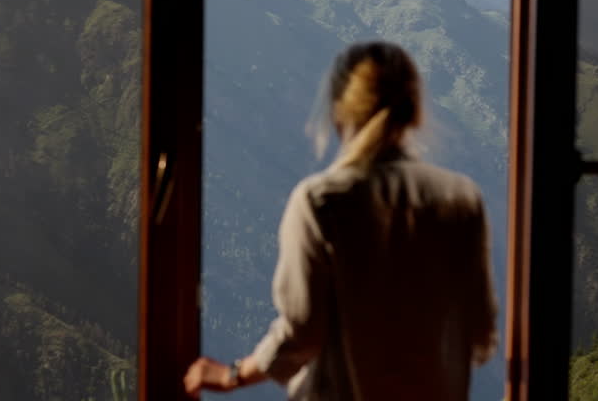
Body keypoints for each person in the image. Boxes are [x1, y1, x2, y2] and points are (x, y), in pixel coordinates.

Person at [184, 40, 498, 400]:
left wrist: (230, 375)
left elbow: (302, 333)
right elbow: (481, 335)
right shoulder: (461, 198)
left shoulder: (321, 202)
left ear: (338, 112)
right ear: (414, 112)